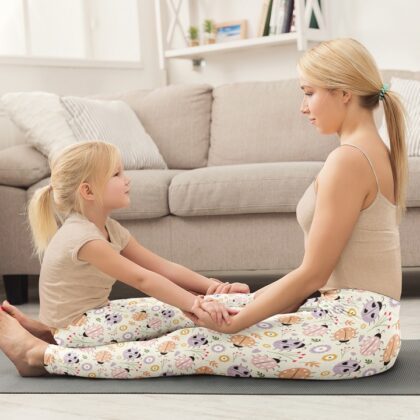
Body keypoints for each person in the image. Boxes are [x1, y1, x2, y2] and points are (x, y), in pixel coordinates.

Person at [0, 37, 406, 380]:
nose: (303, 107)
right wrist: (227, 303)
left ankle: (40, 356)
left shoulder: (349, 160)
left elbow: (313, 274)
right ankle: (55, 336)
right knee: (216, 313)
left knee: (197, 340)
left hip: (354, 332)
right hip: (364, 323)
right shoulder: (369, 151)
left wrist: (235, 323)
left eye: (308, 92)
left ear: (344, 92)